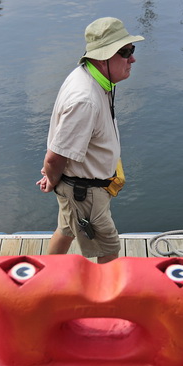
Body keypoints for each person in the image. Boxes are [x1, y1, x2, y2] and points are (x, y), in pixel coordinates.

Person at [36, 17, 143, 264]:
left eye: (131, 50)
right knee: (108, 249)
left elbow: (62, 148)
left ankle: (46, 278)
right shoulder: (85, 100)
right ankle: (107, 300)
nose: (133, 59)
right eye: (125, 52)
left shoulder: (90, 76)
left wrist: (55, 176)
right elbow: (55, 156)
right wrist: (52, 178)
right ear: (103, 57)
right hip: (85, 194)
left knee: (66, 228)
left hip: (77, 188)